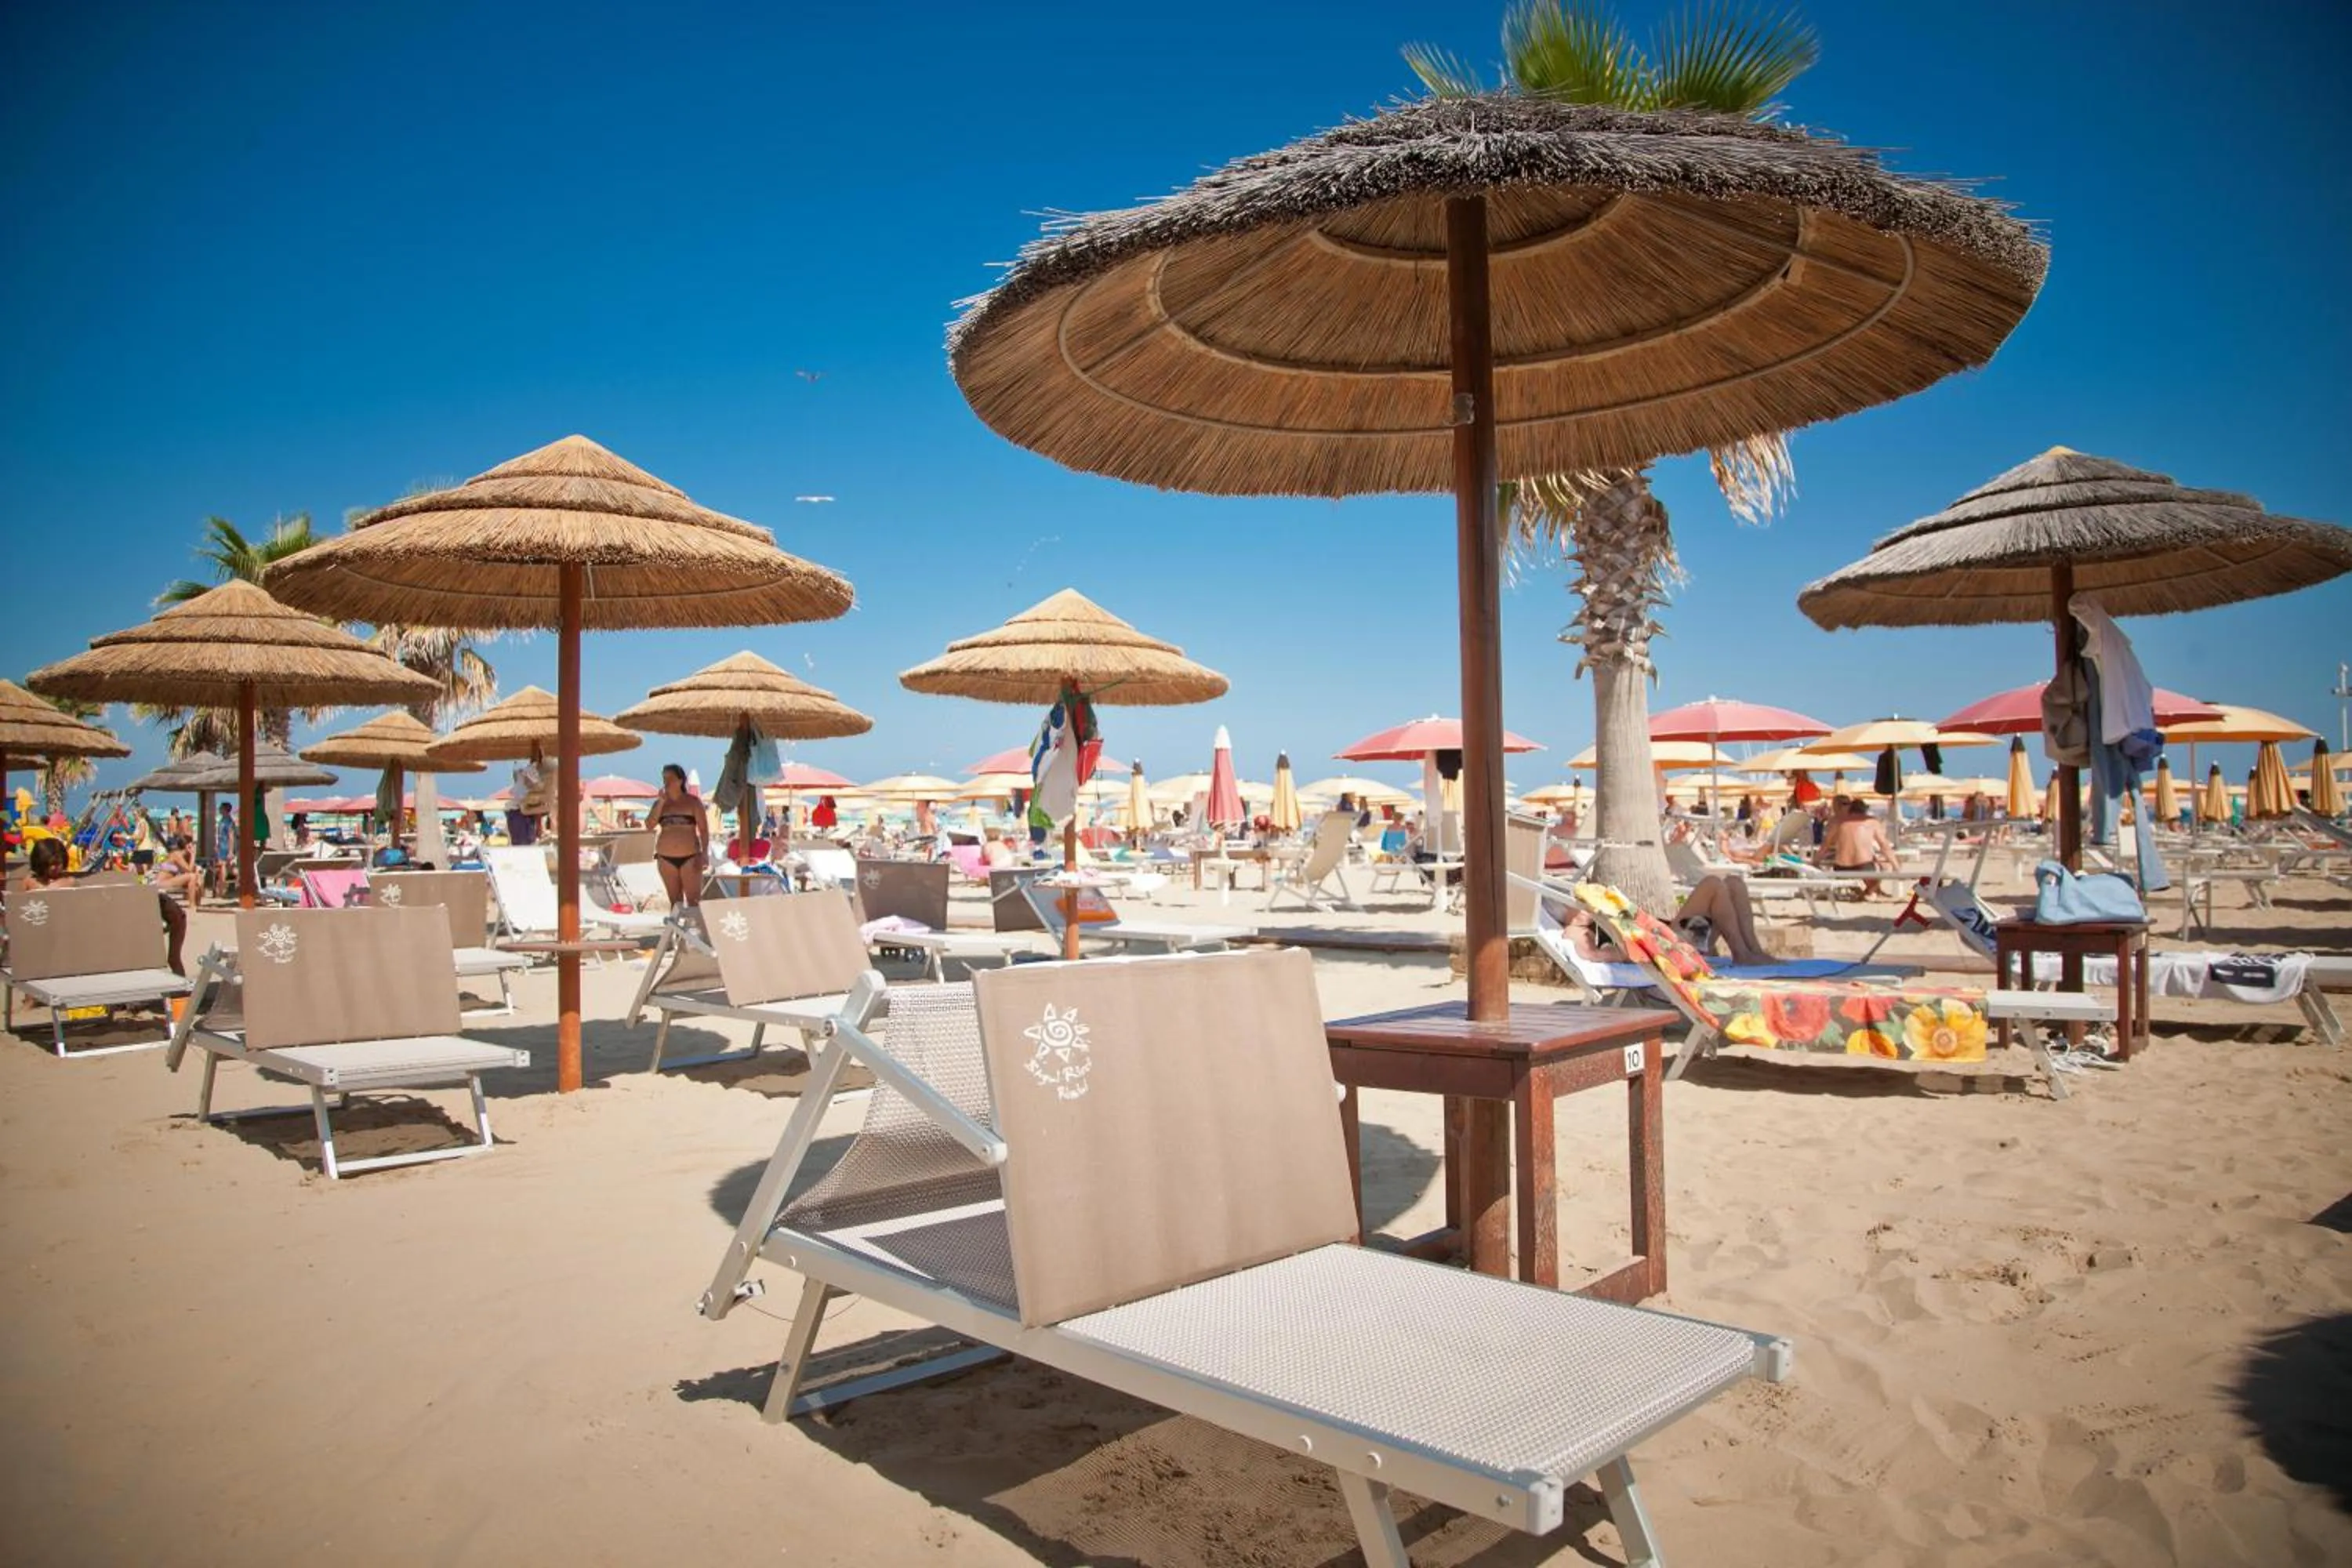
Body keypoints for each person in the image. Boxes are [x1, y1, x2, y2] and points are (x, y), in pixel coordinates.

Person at [21, 837, 188, 975]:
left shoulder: (66, 881)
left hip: (171, 914)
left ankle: (181, 989)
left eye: (57, 864)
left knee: (173, 956)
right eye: (50, 864)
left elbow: (61, 888)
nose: (54, 868)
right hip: (47, 933)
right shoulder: (34, 881)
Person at [1565, 873, 1776, 967]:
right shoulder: (1574, 931)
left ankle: (1754, 951)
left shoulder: (1590, 919)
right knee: (1712, 884)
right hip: (1667, 947)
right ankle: (1741, 954)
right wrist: (1615, 952)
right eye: (1576, 903)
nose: (1583, 906)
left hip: (1666, 936)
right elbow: (1595, 954)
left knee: (1734, 883)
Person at [648, 763, 706, 912]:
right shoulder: (660, 804)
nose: (666, 782)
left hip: (690, 856)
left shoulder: (693, 802)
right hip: (665, 858)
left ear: (680, 780)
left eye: (670, 778)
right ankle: (677, 927)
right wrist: (661, 802)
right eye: (664, 778)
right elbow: (649, 825)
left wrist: (705, 854)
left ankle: (695, 926)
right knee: (675, 902)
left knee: (694, 902)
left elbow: (704, 830)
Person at [1824, 798, 1896, 893]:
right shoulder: (1872, 822)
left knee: (1876, 864)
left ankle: (1866, 892)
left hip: (1841, 867)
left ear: (1850, 810)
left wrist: (1815, 862)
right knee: (1884, 867)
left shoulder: (1839, 822)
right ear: (1864, 810)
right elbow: (1884, 846)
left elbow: (1825, 845)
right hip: (1863, 866)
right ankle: (1869, 893)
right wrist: (1896, 866)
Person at [130, 808, 158, 872]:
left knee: (145, 870)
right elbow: (138, 837)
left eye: (135, 815)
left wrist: (128, 837)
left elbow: (141, 836)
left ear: (139, 814)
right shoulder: (139, 823)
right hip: (140, 849)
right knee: (138, 869)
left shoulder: (142, 822)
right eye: (133, 815)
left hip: (145, 848)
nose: (134, 817)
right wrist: (135, 845)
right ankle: (143, 878)